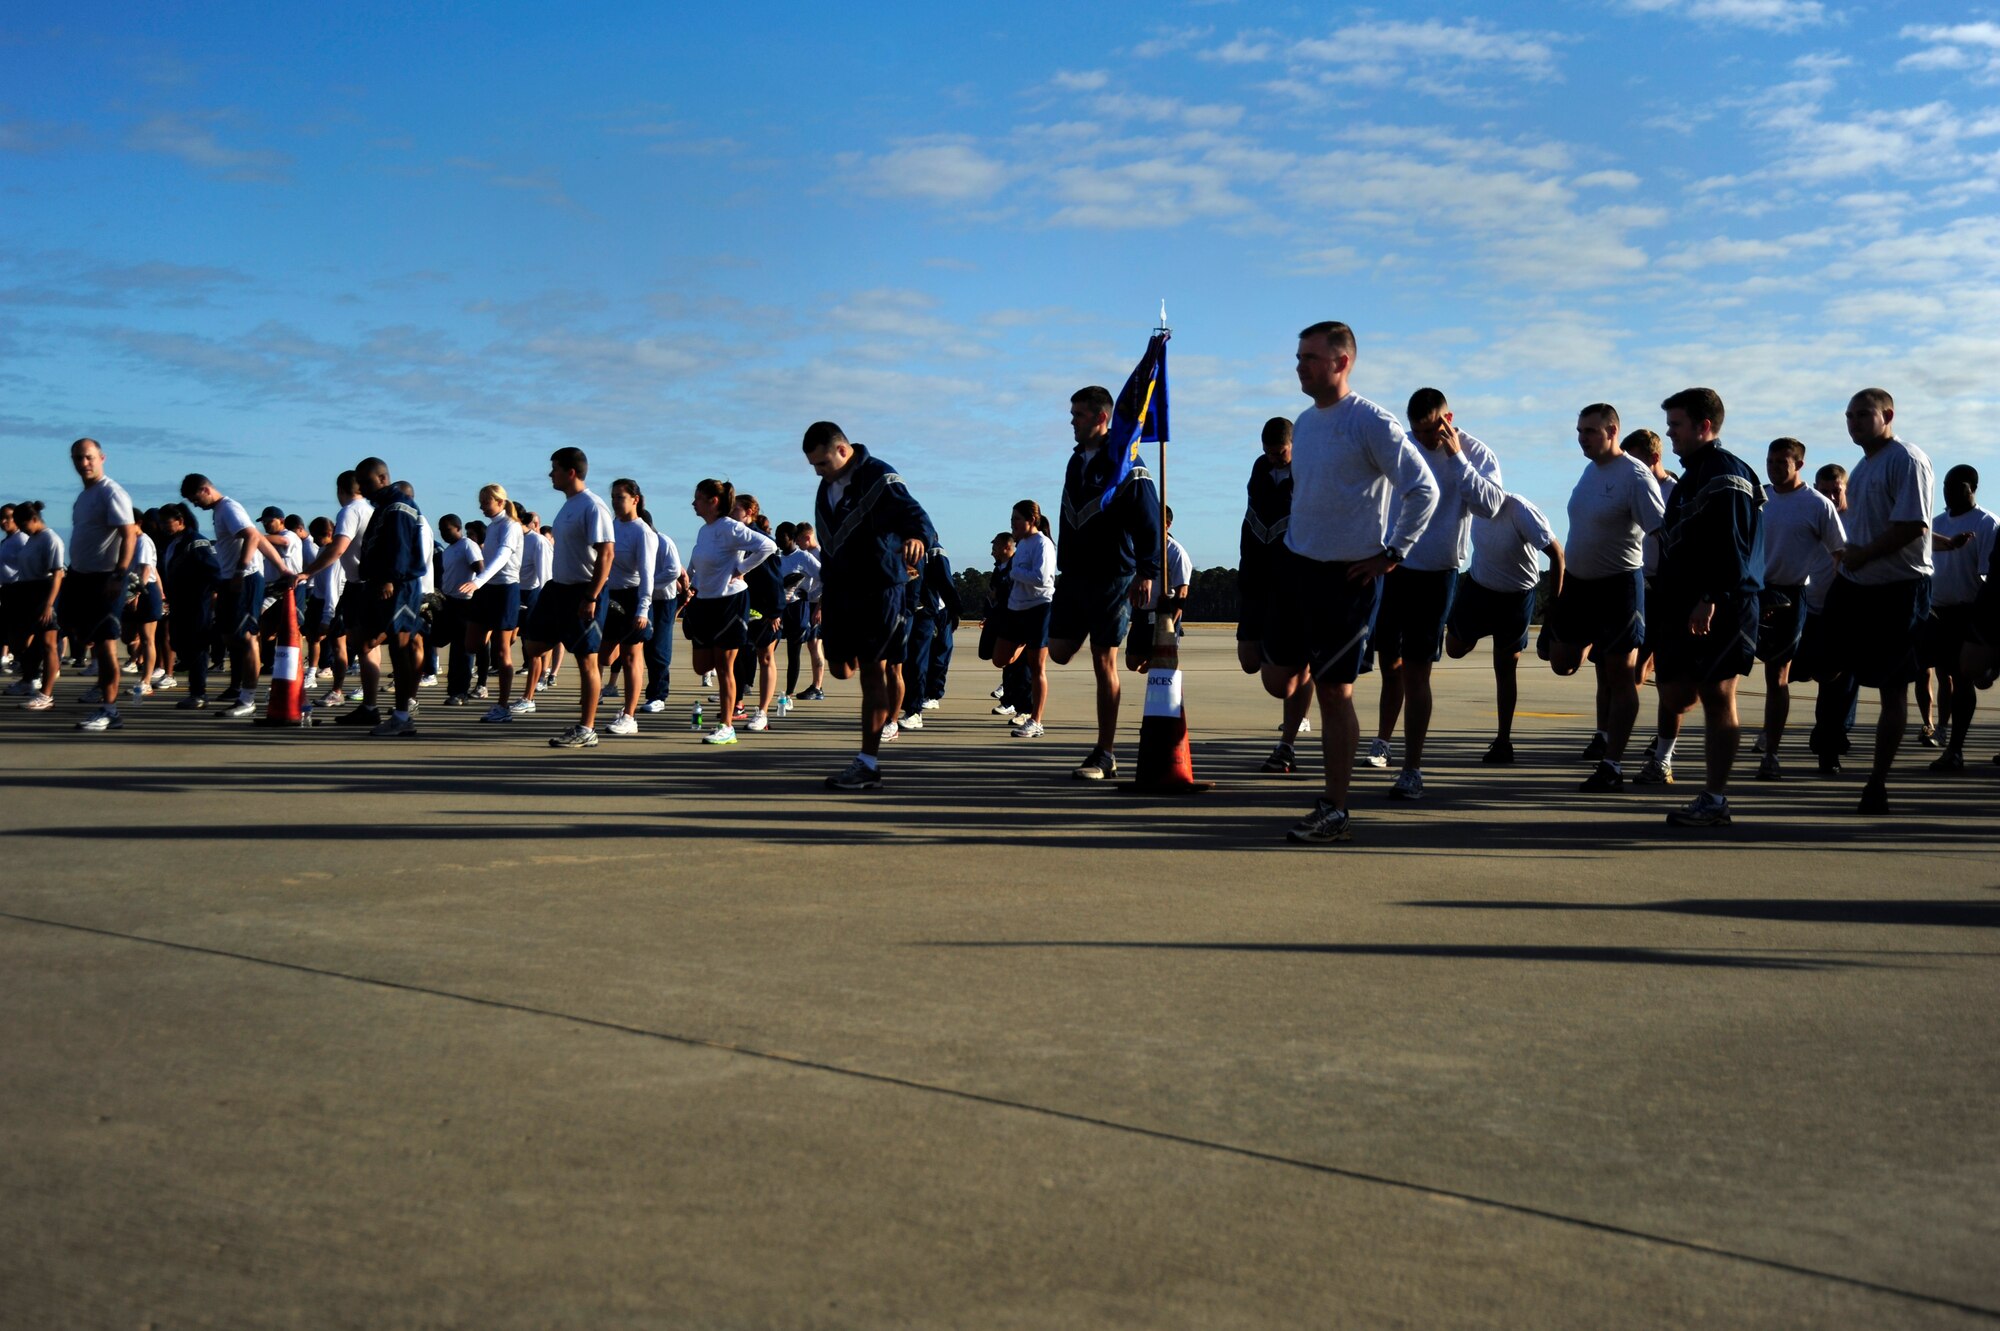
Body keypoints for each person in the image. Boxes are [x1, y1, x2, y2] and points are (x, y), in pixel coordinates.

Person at [1263, 320, 1438, 845]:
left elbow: (1422, 488)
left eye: (1310, 357)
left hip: (1349, 577)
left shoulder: (1372, 423)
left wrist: (1393, 554)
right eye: (1298, 357)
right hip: (1299, 567)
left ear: (1341, 362)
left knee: (1336, 694)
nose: (1300, 365)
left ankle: (1335, 806)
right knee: (1279, 680)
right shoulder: (1306, 423)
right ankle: (1317, 676)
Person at [1365, 390, 1504, 798]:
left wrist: (1457, 457)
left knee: (1417, 671)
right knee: (1389, 663)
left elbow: (1492, 506)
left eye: (1432, 430)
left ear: (1448, 418)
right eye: (1418, 431)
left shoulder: (1477, 453)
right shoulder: (1403, 448)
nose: (1425, 439)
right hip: (1393, 567)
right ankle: (1383, 741)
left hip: (1437, 573)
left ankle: (1412, 768)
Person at [1641, 389, 1765, 828]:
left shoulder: (1725, 474)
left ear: (1703, 427)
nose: (1670, 433)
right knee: (1676, 695)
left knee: (1718, 695)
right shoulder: (1691, 476)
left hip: (1721, 602)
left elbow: (1733, 546)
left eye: (1676, 424)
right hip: (1680, 603)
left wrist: (1710, 598)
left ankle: (1715, 799)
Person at [1813, 388, 1935, 814]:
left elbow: (1913, 526)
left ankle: (1877, 782)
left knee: (1892, 688)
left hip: (1898, 589)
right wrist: (1852, 559)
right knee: (1823, 662)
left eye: (1863, 414)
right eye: (1849, 416)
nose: (1855, 422)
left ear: (1888, 415)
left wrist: (1862, 555)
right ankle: (1829, 733)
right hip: (1855, 585)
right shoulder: (1864, 467)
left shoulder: (1907, 459)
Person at [802, 421, 939, 789]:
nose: (818, 471)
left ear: (843, 451)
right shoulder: (826, 486)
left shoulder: (880, 477)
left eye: (822, 463)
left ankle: (868, 762)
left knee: (871, 672)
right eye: (813, 465)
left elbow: (918, 517)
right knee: (840, 669)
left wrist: (916, 537)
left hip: (879, 588)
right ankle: (874, 730)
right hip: (840, 591)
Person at [1541, 405, 1666, 792]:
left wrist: (1669, 588)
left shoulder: (1635, 476)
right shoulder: (1590, 470)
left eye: (1590, 431)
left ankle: (1612, 764)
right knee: (1561, 662)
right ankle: (1599, 638)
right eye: (1579, 431)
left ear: (1612, 430)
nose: (1582, 438)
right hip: (1580, 585)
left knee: (1620, 677)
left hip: (1619, 587)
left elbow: (1662, 531)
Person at [1048, 385, 1162, 782]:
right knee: (1059, 651)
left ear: (1101, 418)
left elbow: (1149, 518)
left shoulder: (1128, 463)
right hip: (1075, 575)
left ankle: (1106, 752)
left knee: (1103, 660)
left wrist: (1147, 572)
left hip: (1114, 575)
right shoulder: (1075, 460)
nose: (1072, 422)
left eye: (1078, 414)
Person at [1444, 491, 1563, 763]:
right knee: (1454, 648)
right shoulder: (1469, 505)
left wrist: (1555, 603)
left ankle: (1503, 741)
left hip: (1516, 597)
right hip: (1479, 588)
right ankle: (1477, 630)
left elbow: (1557, 554)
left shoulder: (1521, 510)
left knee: (1505, 668)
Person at [1751, 439, 1844, 779]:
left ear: (1799, 465)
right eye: (1770, 460)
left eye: (1781, 462)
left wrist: (1840, 602)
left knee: (1778, 677)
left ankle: (1771, 754)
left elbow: (1839, 553)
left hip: (1790, 596)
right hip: (1752, 594)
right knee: (1726, 674)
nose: (1774, 467)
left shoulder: (1816, 505)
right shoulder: (1756, 497)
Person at [516, 448, 615, 747]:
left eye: (555, 469)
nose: (550, 474)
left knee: (588, 661)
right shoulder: (568, 506)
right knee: (532, 645)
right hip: (558, 590)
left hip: (583, 590)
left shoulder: (592, 506)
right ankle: (563, 638)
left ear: (570, 472)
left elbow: (607, 553)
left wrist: (592, 596)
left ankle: (587, 729)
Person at [1238, 418, 1315, 774]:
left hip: (1293, 583)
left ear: (1293, 445)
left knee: (1281, 682)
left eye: (1280, 452)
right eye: (1268, 452)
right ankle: (1300, 668)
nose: (1273, 458)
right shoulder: (1260, 469)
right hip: (1256, 578)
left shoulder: (1309, 473)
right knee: (1249, 659)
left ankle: (1287, 746)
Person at [179, 473, 284, 719]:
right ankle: (240, 689)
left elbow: (251, 535)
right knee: (229, 637)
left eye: (194, 499)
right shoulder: (220, 511)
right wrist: (283, 568)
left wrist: (240, 569)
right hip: (230, 579)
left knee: (246, 638)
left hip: (244, 579)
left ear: (205, 490)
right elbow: (257, 538)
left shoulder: (228, 507)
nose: (195, 505)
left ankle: (247, 698)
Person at [337, 458, 428, 736]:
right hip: (378, 585)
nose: (362, 489)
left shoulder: (399, 508)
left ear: (382, 478)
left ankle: (402, 716)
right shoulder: (383, 507)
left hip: (398, 585)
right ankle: (383, 708)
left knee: (400, 649)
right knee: (365, 641)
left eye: (366, 483)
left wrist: (389, 578)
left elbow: (399, 547)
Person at [684, 478, 778, 746]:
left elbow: (768, 546)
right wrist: (690, 582)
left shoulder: (730, 528)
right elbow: (699, 558)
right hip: (704, 602)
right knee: (701, 665)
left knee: (725, 666)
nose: (693, 503)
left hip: (730, 602)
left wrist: (742, 569)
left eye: (698, 498)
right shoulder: (705, 530)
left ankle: (726, 726)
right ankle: (725, 656)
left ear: (713, 502)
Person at [61, 439, 141, 731]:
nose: (84, 463)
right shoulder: (84, 497)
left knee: (107, 644)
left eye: (89, 457)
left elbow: (129, 534)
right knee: (79, 633)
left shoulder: (111, 492)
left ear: (102, 458)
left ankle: (110, 711)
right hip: (80, 577)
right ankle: (103, 690)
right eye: (78, 458)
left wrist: (119, 575)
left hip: (105, 578)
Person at [1923, 466, 1996, 772]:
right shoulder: (1935, 524)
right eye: (1946, 486)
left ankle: (1955, 749)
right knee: (1946, 676)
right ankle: (1946, 737)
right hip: (1939, 612)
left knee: (1966, 680)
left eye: (1958, 486)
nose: (1949, 491)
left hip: (1971, 611)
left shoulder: (1987, 523)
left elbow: (1989, 576)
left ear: (1973, 488)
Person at [987, 500, 1056, 738]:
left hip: (1039, 608)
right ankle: (1025, 643)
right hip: (1016, 609)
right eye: (1011, 519)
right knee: (999, 659)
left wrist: (1015, 572)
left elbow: (1043, 578)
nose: (1013, 524)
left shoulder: (1043, 544)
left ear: (1032, 521)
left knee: (1037, 667)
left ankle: (1036, 720)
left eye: (1017, 519)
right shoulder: (1022, 544)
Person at [598, 479, 658, 737]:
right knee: (603, 656)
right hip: (610, 596)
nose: (615, 502)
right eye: (612, 497)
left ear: (635, 499)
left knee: (633, 656)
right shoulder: (611, 527)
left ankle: (629, 715)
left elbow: (647, 575)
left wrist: (643, 609)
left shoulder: (642, 532)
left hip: (634, 598)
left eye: (620, 497)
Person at [460, 487, 524, 722]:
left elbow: (502, 557)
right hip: (487, 589)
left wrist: (477, 581)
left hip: (505, 589)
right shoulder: (494, 526)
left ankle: (503, 706)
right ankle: (484, 680)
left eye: (486, 502)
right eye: (481, 502)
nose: (482, 506)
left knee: (501, 651)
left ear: (500, 501)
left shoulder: (510, 525)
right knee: (471, 643)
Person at [1626, 429, 1677, 700]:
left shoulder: (1677, 493)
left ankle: (1666, 738)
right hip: (1638, 582)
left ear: (1654, 458)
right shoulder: (1630, 487)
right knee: (1633, 666)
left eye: (1636, 462)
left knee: (1661, 672)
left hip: (1666, 587)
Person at [899, 541, 961, 731]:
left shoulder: (933, 549)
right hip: (900, 611)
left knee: (918, 661)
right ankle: (901, 706)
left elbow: (945, 581)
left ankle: (914, 711)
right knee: (901, 662)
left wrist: (954, 611)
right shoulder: (894, 541)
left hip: (924, 613)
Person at [12, 501, 64, 709]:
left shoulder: (51, 539)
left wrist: (48, 604)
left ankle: (46, 694)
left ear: (34, 519)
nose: (21, 528)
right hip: (28, 592)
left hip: (45, 592)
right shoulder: (32, 539)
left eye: (22, 523)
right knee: (25, 643)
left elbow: (58, 574)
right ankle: (29, 679)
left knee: (49, 644)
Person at [639, 506, 685, 715]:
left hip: (664, 600)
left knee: (659, 646)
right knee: (642, 645)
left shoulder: (663, 541)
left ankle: (658, 695)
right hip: (643, 599)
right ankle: (648, 691)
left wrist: (649, 584)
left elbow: (673, 570)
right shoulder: (636, 540)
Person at [434, 512, 483, 704]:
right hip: (449, 601)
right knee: (448, 645)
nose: (443, 534)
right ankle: (453, 689)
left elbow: (480, 568)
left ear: (457, 528)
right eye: (441, 530)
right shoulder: (448, 550)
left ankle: (461, 691)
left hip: (465, 602)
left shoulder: (467, 545)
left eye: (446, 530)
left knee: (463, 649)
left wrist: (477, 591)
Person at [302, 514, 348, 699]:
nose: (313, 540)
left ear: (329, 533)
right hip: (318, 599)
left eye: (316, 536)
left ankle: (337, 688)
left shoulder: (335, 555)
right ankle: (311, 674)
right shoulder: (323, 550)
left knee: (338, 645)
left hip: (333, 603)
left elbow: (333, 588)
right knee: (313, 638)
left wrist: (327, 617)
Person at [778, 522, 822, 705]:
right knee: (768, 649)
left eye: (783, 537)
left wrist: (813, 597)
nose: (779, 541)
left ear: (792, 538)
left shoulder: (804, 557)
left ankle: (788, 695)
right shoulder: (777, 557)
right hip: (780, 610)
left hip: (798, 609)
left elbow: (826, 578)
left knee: (793, 652)